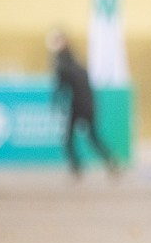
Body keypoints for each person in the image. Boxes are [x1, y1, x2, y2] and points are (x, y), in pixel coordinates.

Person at [49, 31, 119, 181]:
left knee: (70, 138)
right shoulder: (74, 59)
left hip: (79, 104)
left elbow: (59, 85)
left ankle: (77, 167)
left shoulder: (61, 62)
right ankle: (109, 161)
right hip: (88, 102)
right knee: (92, 137)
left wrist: (56, 102)